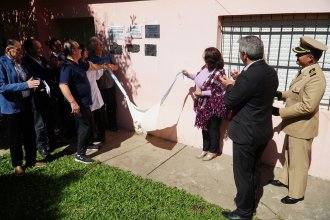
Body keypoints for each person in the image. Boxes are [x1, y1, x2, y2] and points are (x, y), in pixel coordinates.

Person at [220, 36, 278, 220]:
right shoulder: (270, 71)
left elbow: (229, 101)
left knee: (243, 174)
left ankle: (244, 213)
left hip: (246, 133)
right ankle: (250, 203)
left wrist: (230, 85)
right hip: (262, 131)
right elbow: (256, 93)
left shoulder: (248, 76)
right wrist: (240, 82)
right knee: (253, 171)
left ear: (244, 54)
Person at [270, 36, 328, 204]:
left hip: (303, 127)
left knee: (299, 162)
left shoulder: (316, 77)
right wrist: (281, 94)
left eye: (300, 55)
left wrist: (280, 111)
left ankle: (296, 193)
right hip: (295, 125)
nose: (296, 57)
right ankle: (286, 181)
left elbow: (307, 106)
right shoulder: (306, 72)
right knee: (290, 156)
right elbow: (296, 93)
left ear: (310, 58)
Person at [59, 40, 112, 164]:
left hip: (85, 101)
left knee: (88, 124)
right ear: (73, 51)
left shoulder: (78, 63)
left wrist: (104, 66)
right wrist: (73, 102)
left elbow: (92, 66)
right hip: (77, 103)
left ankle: (87, 144)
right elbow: (63, 85)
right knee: (84, 126)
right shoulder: (67, 66)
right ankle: (80, 154)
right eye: (78, 48)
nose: (81, 50)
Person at [0, 39, 45, 176]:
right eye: (18, 50)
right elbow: (2, 87)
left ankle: (31, 160)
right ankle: (17, 164)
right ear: (9, 50)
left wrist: (35, 82)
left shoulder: (21, 61)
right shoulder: (2, 63)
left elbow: (28, 76)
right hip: (11, 107)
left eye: (21, 49)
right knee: (15, 137)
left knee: (29, 132)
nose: (21, 52)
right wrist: (25, 85)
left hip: (26, 103)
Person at [182, 47, 228, 161]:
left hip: (213, 106)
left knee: (213, 128)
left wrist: (202, 93)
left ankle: (213, 151)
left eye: (206, 57)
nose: (204, 59)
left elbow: (220, 91)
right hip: (202, 105)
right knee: (204, 128)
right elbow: (198, 78)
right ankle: (205, 149)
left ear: (211, 59)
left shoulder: (219, 72)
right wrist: (188, 75)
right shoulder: (205, 67)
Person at [22, 39, 55, 159]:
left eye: (41, 47)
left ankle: (50, 141)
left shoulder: (42, 59)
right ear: (30, 49)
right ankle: (41, 146)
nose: (41, 50)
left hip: (47, 95)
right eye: (38, 48)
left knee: (48, 120)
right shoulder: (25, 62)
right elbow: (28, 77)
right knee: (39, 123)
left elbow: (47, 73)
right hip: (36, 97)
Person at [89, 36, 119, 131]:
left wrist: (111, 66)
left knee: (112, 106)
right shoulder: (91, 58)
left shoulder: (107, 54)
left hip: (110, 85)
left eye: (101, 44)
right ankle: (103, 127)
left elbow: (116, 67)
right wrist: (101, 67)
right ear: (94, 47)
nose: (102, 46)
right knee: (101, 109)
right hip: (99, 88)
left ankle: (112, 126)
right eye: (99, 44)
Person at [79, 44, 106, 144]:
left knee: (100, 117)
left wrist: (102, 68)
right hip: (86, 95)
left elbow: (97, 76)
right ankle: (90, 139)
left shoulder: (89, 62)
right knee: (90, 120)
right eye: (85, 50)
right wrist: (103, 67)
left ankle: (101, 137)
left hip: (95, 93)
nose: (87, 52)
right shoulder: (79, 65)